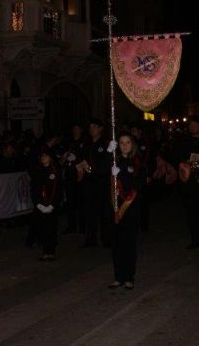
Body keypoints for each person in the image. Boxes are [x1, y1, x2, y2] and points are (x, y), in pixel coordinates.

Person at [109, 132, 144, 290]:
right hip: (116, 208)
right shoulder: (114, 160)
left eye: (127, 142)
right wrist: (109, 154)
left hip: (131, 208)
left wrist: (121, 173)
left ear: (133, 144)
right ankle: (118, 276)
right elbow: (101, 173)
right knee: (116, 244)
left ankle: (129, 277)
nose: (124, 145)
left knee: (129, 244)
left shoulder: (137, 161)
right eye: (121, 142)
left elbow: (138, 183)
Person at [78, 118, 113, 247]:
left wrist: (90, 168)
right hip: (89, 183)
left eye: (94, 126)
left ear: (100, 128)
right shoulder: (86, 144)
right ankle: (91, 238)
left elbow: (104, 166)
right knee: (90, 211)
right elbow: (81, 160)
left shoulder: (105, 144)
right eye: (90, 126)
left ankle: (106, 238)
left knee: (104, 212)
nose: (91, 129)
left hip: (101, 183)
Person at [178, 116, 199, 249]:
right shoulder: (185, 141)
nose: (193, 127)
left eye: (195, 124)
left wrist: (195, 165)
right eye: (191, 125)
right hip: (189, 182)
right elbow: (180, 158)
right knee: (192, 212)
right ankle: (195, 240)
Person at [32, 147, 62, 261]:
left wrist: (52, 205)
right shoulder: (38, 171)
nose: (43, 158)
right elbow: (34, 188)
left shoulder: (55, 171)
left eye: (46, 156)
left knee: (52, 228)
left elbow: (58, 190)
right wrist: (38, 204)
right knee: (43, 228)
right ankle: (45, 251)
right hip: (41, 204)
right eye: (42, 156)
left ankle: (51, 251)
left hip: (51, 205)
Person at [62, 124, 85, 234]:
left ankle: (82, 226)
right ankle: (71, 226)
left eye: (77, 128)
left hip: (79, 175)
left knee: (80, 202)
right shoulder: (69, 142)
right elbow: (63, 158)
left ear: (81, 130)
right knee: (70, 202)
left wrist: (77, 160)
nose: (75, 131)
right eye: (73, 129)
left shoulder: (84, 142)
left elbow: (86, 158)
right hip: (69, 175)